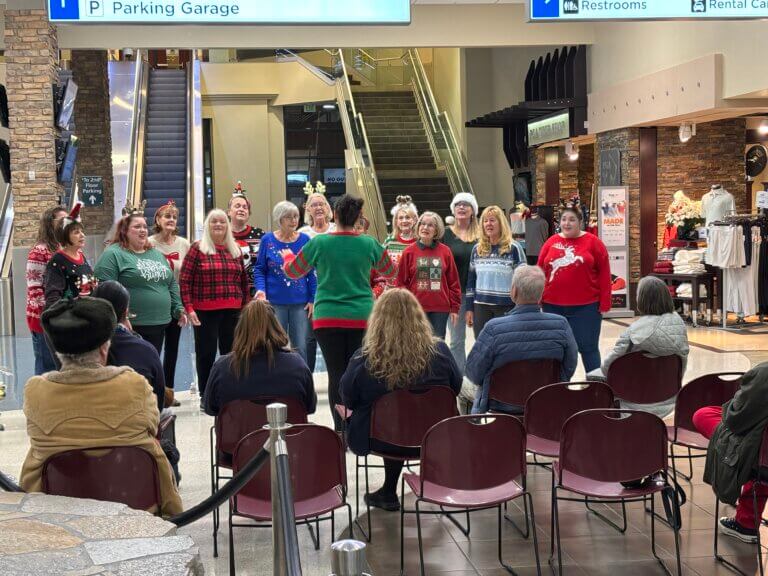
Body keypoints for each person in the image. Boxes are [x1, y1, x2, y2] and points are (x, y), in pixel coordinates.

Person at [19, 297, 182, 516]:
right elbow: (153, 427)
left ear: (57, 352)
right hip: (138, 507)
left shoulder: (36, 392)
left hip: (58, 515)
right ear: (104, 348)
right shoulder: (134, 385)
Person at [340, 289, 462, 511]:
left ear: (377, 321)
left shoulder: (365, 359)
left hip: (379, 438)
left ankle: (388, 491)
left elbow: (347, 397)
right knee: (405, 419)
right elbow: (456, 387)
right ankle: (409, 486)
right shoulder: (441, 352)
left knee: (393, 422)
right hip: (431, 437)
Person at [282, 194, 395, 431]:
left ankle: (340, 430)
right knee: (360, 371)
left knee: (336, 374)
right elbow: (390, 271)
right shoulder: (369, 243)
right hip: (362, 317)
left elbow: (293, 272)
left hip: (327, 318)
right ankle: (358, 426)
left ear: (334, 215)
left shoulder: (319, 243)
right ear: (357, 219)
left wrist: (288, 257)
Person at [466, 265, 578, 414]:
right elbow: (569, 366)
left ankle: (474, 432)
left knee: (463, 388)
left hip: (500, 406)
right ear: (541, 293)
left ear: (514, 291)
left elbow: (473, 372)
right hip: (546, 401)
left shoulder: (493, 329)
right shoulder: (561, 325)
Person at [587, 276, 689, 418]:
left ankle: (601, 428)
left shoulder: (632, 333)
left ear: (642, 300)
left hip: (630, 400)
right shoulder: (679, 327)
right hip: (669, 398)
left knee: (593, 376)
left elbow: (608, 368)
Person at [693, 363, 768, 543]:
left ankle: (747, 524)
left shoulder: (765, 373)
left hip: (760, 460)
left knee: (703, 415)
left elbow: (737, 418)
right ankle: (746, 522)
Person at [203, 299, 316, 418]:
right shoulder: (297, 364)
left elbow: (210, 408)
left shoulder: (222, 368)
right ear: (276, 326)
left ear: (241, 329)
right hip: (288, 435)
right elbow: (310, 407)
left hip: (238, 435)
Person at [180, 209, 249, 400]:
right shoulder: (197, 248)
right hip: (205, 311)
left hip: (233, 310)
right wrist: (189, 307)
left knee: (232, 353)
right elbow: (185, 280)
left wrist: (245, 307)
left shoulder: (234, 250)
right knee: (206, 354)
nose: (218, 225)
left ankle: (231, 392)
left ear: (227, 226)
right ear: (207, 226)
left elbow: (243, 281)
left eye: (222, 222)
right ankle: (206, 395)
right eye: (214, 222)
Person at [94, 209, 186, 354]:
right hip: (130, 326)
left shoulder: (155, 254)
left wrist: (178, 308)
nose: (143, 230)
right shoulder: (113, 253)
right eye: (137, 227)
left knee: (150, 366)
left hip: (159, 323)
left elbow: (171, 283)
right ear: (124, 231)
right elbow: (104, 289)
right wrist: (121, 318)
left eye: (144, 226)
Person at [537, 206, 611, 373]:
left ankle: (596, 388)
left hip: (586, 307)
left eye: (571, 219)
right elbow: (539, 271)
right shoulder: (551, 242)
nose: (567, 223)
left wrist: (605, 303)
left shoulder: (594, 243)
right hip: (552, 306)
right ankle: (557, 389)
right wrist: (537, 298)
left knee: (589, 348)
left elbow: (605, 274)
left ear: (580, 222)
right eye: (564, 219)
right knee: (555, 350)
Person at [254, 201, 315, 363]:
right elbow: (260, 269)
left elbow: (311, 273)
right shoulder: (267, 240)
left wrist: (312, 298)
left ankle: (303, 383)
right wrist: (261, 290)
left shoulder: (305, 240)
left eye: (296, 216)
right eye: (289, 217)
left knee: (300, 346)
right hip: (274, 302)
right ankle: (276, 381)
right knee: (275, 345)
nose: (294, 220)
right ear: (279, 219)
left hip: (300, 304)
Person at [91, 281, 166, 413]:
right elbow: (158, 404)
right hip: (138, 427)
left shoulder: (78, 348)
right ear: (126, 312)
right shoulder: (145, 350)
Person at [396, 211, 461, 339]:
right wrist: (404, 308)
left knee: (437, 348)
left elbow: (453, 282)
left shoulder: (445, 251)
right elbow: (401, 284)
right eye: (422, 224)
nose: (425, 228)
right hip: (415, 309)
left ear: (436, 230)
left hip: (440, 310)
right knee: (416, 346)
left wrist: (454, 308)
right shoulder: (409, 252)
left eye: (430, 225)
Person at [465, 205, 527, 338]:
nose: (488, 224)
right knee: (482, 347)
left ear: (501, 223)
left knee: (505, 348)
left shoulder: (514, 248)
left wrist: (521, 308)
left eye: (492, 220)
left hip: (506, 307)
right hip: (481, 307)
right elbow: (471, 281)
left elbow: (523, 281)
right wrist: (469, 308)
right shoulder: (477, 249)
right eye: (485, 221)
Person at [149, 200, 190, 400]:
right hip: (155, 300)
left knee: (172, 348)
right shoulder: (149, 243)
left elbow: (189, 272)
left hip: (176, 300)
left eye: (174, 217)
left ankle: (168, 393)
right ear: (158, 219)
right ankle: (152, 392)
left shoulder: (184, 244)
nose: (171, 220)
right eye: (167, 216)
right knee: (153, 348)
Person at [442, 193, 480, 375]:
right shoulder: (444, 234)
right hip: (454, 294)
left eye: (466, 204)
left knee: (483, 337)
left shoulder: (481, 234)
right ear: (453, 210)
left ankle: (480, 375)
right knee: (457, 340)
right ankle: (460, 378)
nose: (462, 207)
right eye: (458, 204)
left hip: (479, 294)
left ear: (473, 210)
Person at [26, 205, 66, 374]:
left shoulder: (63, 248)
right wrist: (53, 314)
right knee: (47, 367)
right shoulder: (39, 252)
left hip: (62, 317)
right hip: (44, 319)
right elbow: (35, 290)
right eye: (63, 220)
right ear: (50, 223)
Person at [298, 191, 334, 372]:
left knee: (334, 338)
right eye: (314, 204)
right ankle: (307, 380)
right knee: (308, 340)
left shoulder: (337, 230)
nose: (318, 207)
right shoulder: (302, 233)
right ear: (308, 210)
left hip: (334, 293)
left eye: (322, 204)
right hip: (309, 296)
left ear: (328, 208)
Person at [43, 203, 97, 309]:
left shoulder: (81, 255)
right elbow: (53, 299)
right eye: (76, 232)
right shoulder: (57, 261)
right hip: (72, 319)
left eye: (82, 231)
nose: (82, 235)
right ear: (65, 236)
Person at [372, 195, 418, 298]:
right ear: (396, 221)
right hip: (391, 291)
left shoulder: (419, 242)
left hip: (413, 292)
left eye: (408, 217)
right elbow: (381, 264)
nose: (404, 221)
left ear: (414, 220)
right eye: (400, 218)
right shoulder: (389, 241)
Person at [228, 183, 264, 295]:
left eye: (245, 207)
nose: (241, 209)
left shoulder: (261, 235)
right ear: (229, 211)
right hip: (229, 294)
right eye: (237, 206)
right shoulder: (220, 235)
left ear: (249, 213)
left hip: (255, 295)